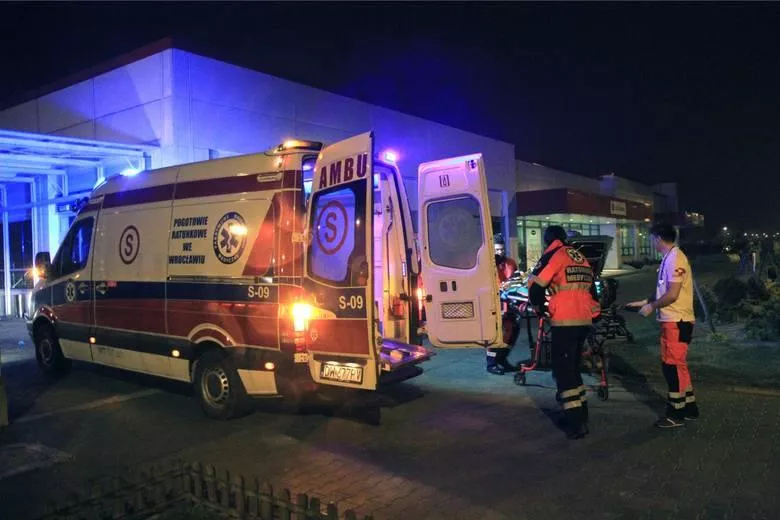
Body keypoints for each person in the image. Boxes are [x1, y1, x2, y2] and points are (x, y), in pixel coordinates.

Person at [527, 226, 600, 439]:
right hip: (584, 318)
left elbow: (536, 286)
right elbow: (592, 290)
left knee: (563, 371)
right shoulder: (579, 256)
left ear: (548, 240)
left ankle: (575, 422)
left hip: (565, 320)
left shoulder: (554, 254)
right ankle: (582, 413)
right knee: (573, 368)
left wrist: (539, 307)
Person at [627, 223, 699, 428]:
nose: (651, 242)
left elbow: (673, 294)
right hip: (674, 321)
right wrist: (645, 301)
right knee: (678, 365)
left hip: (677, 321)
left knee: (672, 366)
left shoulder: (675, 258)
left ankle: (675, 414)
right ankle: (689, 408)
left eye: (652, 239)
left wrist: (651, 307)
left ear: (658, 238)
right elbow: (664, 290)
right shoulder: (670, 257)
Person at [486, 240, 520, 375]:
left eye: (502, 249)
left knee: (512, 331)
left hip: (510, 302)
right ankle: (491, 363)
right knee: (495, 334)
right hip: (494, 303)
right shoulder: (487, 264)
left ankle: (502, 359)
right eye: (497, 249)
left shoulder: (510, 263)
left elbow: (516, 280)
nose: (500, 252)